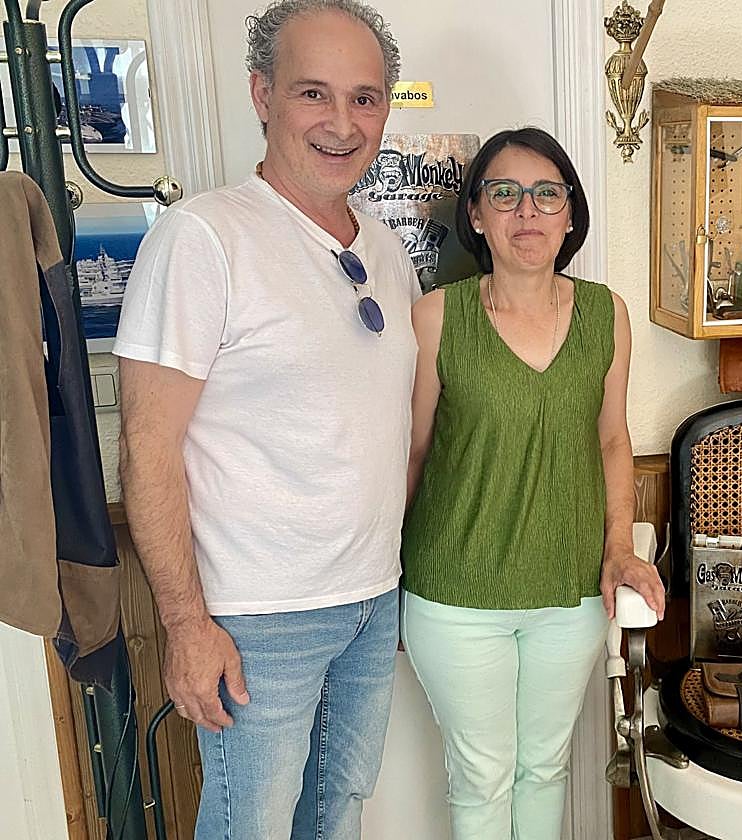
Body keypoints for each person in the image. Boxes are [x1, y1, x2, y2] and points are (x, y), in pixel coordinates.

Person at [114, 2, 418, 837]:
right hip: (255, 617)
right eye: (313, 93)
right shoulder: (203, 237)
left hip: (369, 598)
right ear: (262, 93)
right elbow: (146, 447)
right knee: (248, 826)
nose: (342, 123)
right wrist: (185, 625)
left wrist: (385, 588)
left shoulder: (386, 249)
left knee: (336, 814)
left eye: (365, 98)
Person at [401, 126, 666, 840]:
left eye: (547, 194)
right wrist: (376, 576)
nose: (528, 212)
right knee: (482, 775)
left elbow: (613, 438)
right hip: (455, 590)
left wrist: (618, 549)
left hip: (570, 587)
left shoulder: (605, 314)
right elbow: (415, 451)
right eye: (506, 194)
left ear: (570, 214)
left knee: (544, 767)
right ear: (478, 216)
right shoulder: (435, 319)